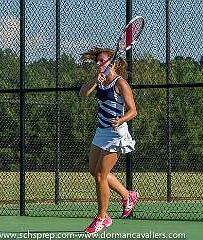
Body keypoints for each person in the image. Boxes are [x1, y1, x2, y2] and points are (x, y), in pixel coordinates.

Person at [79, 47, 139, 234]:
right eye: (96, 61)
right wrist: (94, 81)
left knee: (100, 175)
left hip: (116, 133)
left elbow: (133, 111)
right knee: (93, 171)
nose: (98, 64)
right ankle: (128, 195)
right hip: (101, 132)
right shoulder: (100, 80)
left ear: (111, 63)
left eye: (101, 61)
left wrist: (120, 119)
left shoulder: (121, 83)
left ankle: (102, 218)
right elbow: (82, 93)